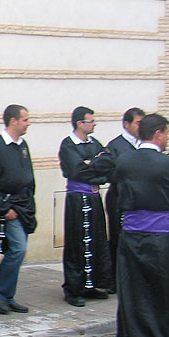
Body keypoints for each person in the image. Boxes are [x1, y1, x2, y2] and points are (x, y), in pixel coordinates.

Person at [114, 113, 169, 337]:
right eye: (166, 133)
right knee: (166, 294)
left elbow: (114, 197)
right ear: (158, 133)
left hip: (131, 236)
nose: (168, 138)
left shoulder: (123, 161)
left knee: (132, 291)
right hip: (163, 239)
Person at [0, 105, 35, 314]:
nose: (28, 123)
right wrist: (3, 208)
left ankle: (7, 295)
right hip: (9, 207)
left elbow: (28, 176)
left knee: (18, 252)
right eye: (25, 119)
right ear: (14, 121)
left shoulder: (23, 146)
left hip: (24, 205)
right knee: (18, 249)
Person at [58, 106, 114, 307]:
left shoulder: (94, 143)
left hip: (93, 197)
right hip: (77, 199)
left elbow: (109, 162)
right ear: (80, 123)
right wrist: (93, 165)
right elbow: (76, 170)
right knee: (77, 242)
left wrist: (92, 165)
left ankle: (92, 285)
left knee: (97, 240)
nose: (94, 124)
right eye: (91, 121)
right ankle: (74, 288)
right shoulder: (68, 146)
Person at [104, 107, 144, 287]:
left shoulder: (143, 144)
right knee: (118, 239)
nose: (140, 127)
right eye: (138, 123)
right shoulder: (115, 146)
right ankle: (117, 278)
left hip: (140, 201)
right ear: (127, 124)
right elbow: (109, 174)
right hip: (119, 199)